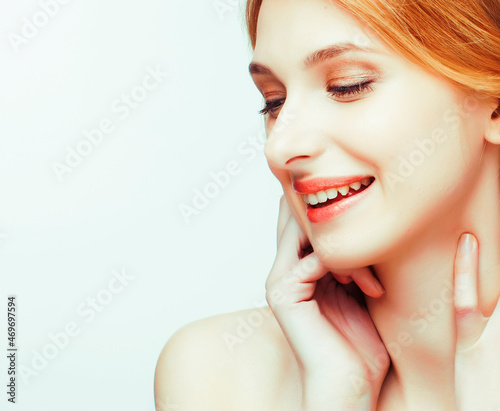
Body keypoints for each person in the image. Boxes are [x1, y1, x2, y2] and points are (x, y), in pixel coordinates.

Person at [155, 0, 500, 409]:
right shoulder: (220, 374)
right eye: (274, 101)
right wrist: (339, 396)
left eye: (346, 85)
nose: (279, 146)